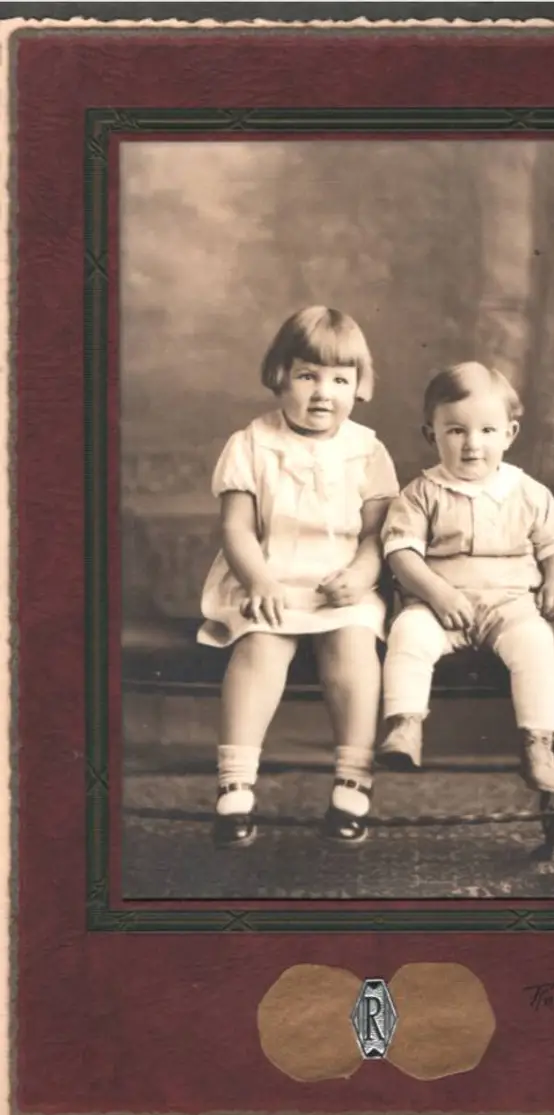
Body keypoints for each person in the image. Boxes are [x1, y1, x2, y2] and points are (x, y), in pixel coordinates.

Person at [198, 306, 399, 847]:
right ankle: (235, 784)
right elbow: (236, 529)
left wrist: (362, 573)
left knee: (355, 646)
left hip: (341, 582)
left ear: (360, 386)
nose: (322, 392)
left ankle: (352, 781)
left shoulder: (367, 449)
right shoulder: (251, 443)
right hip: (270, 576)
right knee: (261, 646)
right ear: (279, 376)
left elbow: (377, 534)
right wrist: (259, 580)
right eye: (308, 375)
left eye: (340, 379)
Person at [378, 361, 554, 793]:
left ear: (510, 434)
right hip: (437, 606)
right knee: (408, 635)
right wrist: (438, 593)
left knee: (536, 645)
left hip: (510, 607)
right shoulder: (421, 493)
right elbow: (401, 553)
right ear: (432, 434)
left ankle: (538, 743)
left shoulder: (527, 492)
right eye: (455, 430)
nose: (472, 444)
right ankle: (405, 724)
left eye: (487, 430)